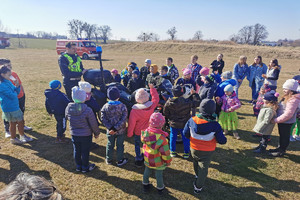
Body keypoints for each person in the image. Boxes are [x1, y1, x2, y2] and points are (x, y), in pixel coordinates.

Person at [183, 99, 227, 194]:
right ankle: (198, 187)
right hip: (207, 150)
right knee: (203, 167)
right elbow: (222, 141)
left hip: (194, 148)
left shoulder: (192, 120)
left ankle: (196, 175)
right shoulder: (215, 125)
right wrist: (224, 139)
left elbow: (185, 133)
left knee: (195, 160)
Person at [65, 86, 100, 172]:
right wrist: (96, 133)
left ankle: (78, 166)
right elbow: (93, 123)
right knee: (85, 151)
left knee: (77, 150)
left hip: (74, 134)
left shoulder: (68, 108)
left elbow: (66, 117)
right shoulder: (88, 110)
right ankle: (85, 167)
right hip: (86, 135)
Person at [163, 85, 200, 158]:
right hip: (185, 123)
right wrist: (194, 94)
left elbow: (165, 112)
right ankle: (186, 153)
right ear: (182, 93)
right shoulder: (187, 102)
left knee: (173, 137)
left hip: (173, 123)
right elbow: (197, 103)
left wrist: (171, 118)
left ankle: (172, 151)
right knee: (185, 137)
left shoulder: (169, 102)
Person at [127, 84, 159, 167]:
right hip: (149, 130)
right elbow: (156, 99)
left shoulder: (134, 111)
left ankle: (138, 158)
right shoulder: (152, 105)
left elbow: (131, 123)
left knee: (137, 145)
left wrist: (129, 133)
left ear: (137, 99)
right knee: (149, 144)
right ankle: (148, 157)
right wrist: (152, 89)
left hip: (138, 132)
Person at [0, 66, 33, 144]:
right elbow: (12, 95)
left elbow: (16, 92)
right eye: (9, 75)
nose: (11, 77)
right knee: (20, 121)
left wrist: (17, 86)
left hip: (14, 105)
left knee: (13, 122)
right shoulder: (1, 85)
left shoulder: (7, 81)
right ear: (2, 74)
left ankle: (14, 138)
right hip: (10, 107)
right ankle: (21, 136)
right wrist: (15, 90)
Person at [141, 112, 172, 195]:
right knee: (158, 174)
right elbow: (165, 152)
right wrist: (168, 161)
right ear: (161, 125)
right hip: (158, 161)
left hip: (148, 158)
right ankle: (160, 188)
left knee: (147, 171)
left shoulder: (145, 133)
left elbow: (144, 146)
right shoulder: (162, 138)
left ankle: (145, 184)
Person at [270, 79, 300, 157]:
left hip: (287, 122)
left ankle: (281, 151)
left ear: (291, 90)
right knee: (282, 135)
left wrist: (276, 120)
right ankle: (279, 148)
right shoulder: (288, 97)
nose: (283, 90)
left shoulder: (293, 100)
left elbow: (288, 114)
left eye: (286, 89)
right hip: (282, 121)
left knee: (284, 136)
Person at [100, 87, 128, 166]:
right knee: (120, 145)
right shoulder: (122, 106)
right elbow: (124, 118)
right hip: (120, 131)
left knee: (110, 144)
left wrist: (110, 128)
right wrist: (116, 128)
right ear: (118, 96)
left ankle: (109, 159)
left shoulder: (105, 106)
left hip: (110, 131)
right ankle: (120, 160)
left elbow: (103, 118)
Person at [290, 75, 300, 141]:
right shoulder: (296, 78)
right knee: (293, 121)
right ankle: (290, 135)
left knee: (299, 122)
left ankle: (297, 134)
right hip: (296, 105)